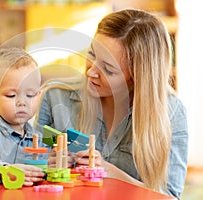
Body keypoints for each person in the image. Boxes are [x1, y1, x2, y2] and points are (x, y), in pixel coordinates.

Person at [34, 9, 188, 198]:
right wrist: (45, 168)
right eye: (91, 55)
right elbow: (31, 177)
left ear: (136, 78)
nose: (91, 72)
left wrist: (113, 174)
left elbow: (170, 196)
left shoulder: (171, 113)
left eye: (107, 69)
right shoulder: (55, 97)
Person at [0, 47, 48, 186]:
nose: (22, 102)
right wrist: (6, 170)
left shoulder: (38, 137)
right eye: (11, 95)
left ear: (39, 96)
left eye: (30, 95)